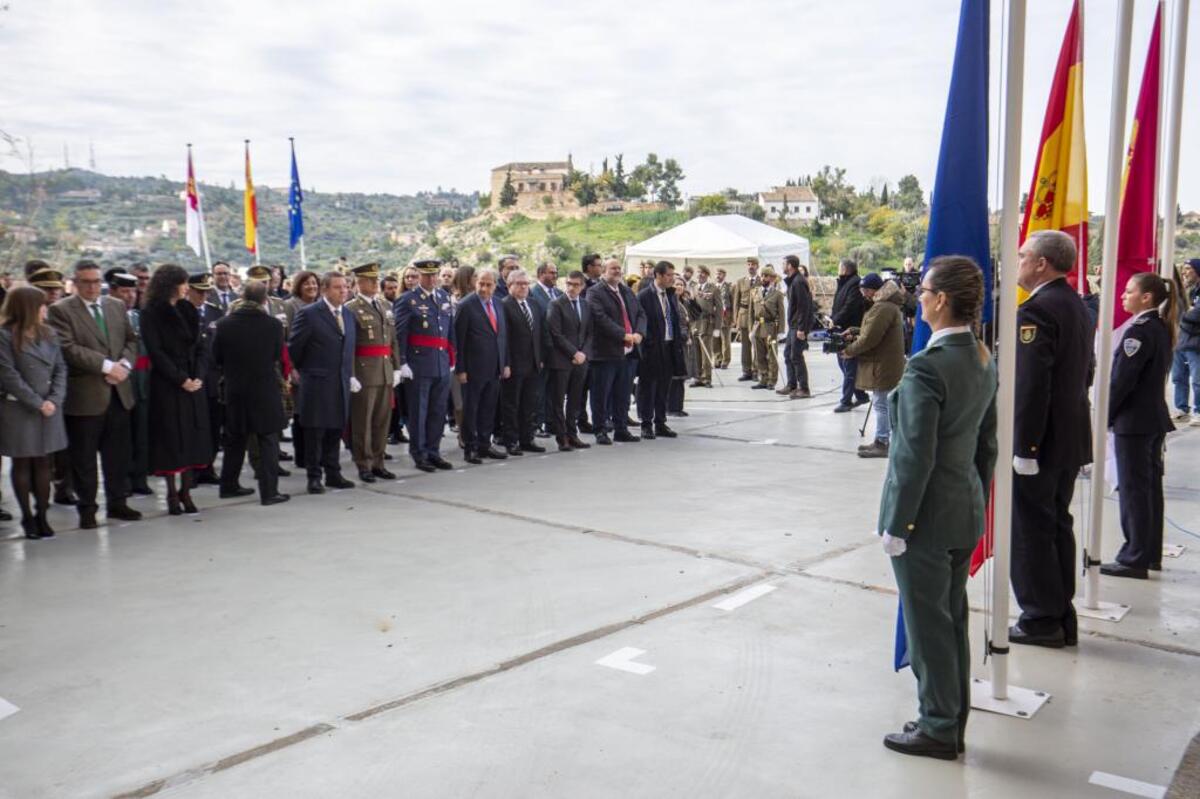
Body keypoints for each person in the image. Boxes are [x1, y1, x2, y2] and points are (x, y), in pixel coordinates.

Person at [878, 255, 997, 760]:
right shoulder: (980, 357)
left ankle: (939, 727)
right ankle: (949, 716)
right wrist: (975, 498)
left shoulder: (929, 365)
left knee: (929, 625)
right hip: (963, 508)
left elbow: (913, 454)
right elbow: (985, 446)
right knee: (950, 620)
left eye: (923, 291)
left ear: (941, 299)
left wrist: (897, 522)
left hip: (924, 517)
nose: (918, 298)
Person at [1009, 230, 1094, 649]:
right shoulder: (1075, 304)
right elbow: (1085, 371)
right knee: (1057, 523)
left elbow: (1031, 386)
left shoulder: (1038, 311)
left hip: (1040, 443)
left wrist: (1025, 447)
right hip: (1068, 436)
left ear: (1042, 262)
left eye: (1023, 255)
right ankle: (1061, 612)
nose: (1019, 261)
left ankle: (1042, 619)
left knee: (1031, 531)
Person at [47, 259, 141, 529]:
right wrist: (106, 366)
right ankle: (87, 509)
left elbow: (131, 340)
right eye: (86, 281)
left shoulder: (116, 305)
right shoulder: (61, 310)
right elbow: (67, 347)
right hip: (85, 397)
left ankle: (118, 503)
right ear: (75, 283)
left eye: (96, 281)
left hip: (119, 393)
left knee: (118, 455)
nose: (92, 286)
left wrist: (124, 365)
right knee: (84, 459)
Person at [1101, 272, 1180, 579]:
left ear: (1146, 297)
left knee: (1135, 490)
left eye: (1129, 290)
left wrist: (1104, 415)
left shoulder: (1140, 331)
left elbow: (1122, 381)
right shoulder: (1158, 327)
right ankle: (1149, 552)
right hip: (1151, 419)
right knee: (1148, 490)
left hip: (1134, 422)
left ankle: (1134, 557)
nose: (1123, 295)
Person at [139, 265, 212, 515]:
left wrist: (198, 377)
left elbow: (202, 346)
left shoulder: (187, 309)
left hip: (193, 383)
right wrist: (181, 379)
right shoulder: (151, 313)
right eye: (182, 283)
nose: (186, 288)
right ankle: (171, 493)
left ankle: (187, 491)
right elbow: (156, 352)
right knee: (171, 440)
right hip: (168, 384)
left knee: (193, 438)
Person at [0, 286, 69, 539]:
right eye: (41, 305)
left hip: (49, 408)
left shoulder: (49, 333)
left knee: (43, 463)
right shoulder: (5, 336)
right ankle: (27, 516)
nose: (45, 309)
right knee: (22, 463)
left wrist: (54, 399)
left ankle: (42, 513)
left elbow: (61, 368)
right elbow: (9, 375)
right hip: (20, 409)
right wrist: (37, 403)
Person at [213, 281, 289, 505]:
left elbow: (216, 357)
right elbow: (276, 355)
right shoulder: (273, 325)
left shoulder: (224, 324)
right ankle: (269, 491)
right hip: (264, 388)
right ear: (265, 300)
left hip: (236, 389)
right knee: (267, 440)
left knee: (235, 439)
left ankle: (228, 485)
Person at [289, 271, 357, 495]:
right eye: (338, 288)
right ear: (325, 290)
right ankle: (314, 477)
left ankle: (333, 473)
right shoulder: (309, 314)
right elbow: (295, 348)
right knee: (315, 433)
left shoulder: (347, 314)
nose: (343, 291)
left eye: (345, 287)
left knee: (335, 429)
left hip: (340, 382)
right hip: (317, 382)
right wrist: (304, 371)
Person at [394, 259, 455, 472]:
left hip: (441, 362)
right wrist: (401, 362)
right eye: (426, 275)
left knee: (438, 411)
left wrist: (451, 357)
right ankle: (419, 454)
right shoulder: (407, 300)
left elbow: (449, 331)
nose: (431, 279)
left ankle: (434, 451)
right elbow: (400, 334)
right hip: (418, 363)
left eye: (434, 275)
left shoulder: (444, 297)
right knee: (419, 412)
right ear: (419, 276)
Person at [345, 262, 400, 482]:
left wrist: (396, 367)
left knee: (381, 421)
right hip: (364, 372)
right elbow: (348, 345)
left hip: (385, 370)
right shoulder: (351, 308)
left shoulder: (385, 305)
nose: (376, 283)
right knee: (362, 422)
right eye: (371, 280)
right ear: (359, 283)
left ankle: (378, 461)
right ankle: (363, 463)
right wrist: (350, 374)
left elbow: (393, 339)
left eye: (377, 279)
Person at [842, 273, 907, 458]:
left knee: (881, 403)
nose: (864, 295)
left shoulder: (883, 307)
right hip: (885, 362)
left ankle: (882, 442)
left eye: (865, 290)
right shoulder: (885, 306)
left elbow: (870, 338)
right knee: (883, 402)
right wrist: (855, 331)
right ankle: (882, 439)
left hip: (883, 364)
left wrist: (850, 350)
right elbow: (870, 331)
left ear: (872, 290)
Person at [586, 258, 645, 445]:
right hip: (605, 353)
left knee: (623, 393)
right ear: (603, 271)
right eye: (613, 268)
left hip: (627, 353)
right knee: (601, 394)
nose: (617, 271)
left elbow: (640, 313)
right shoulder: (594, 292)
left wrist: (639, 333)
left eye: (619, 268)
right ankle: (600, 430)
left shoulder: (626, 290)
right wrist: (624, 335)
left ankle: (621, 429)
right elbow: (600, 318)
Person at [454, 268, 509, 464]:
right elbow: (458, 341)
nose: (484, 288)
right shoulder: (466, 305)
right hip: (472, 369)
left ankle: (485, 444)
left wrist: (505, 363)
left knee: (488, 408)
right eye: (481, 284)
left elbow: (502, 336)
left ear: (495, 285)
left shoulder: (499, 304)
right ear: (475, 283)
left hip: (494, 367)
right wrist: (460, 369)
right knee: (471, 410)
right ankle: (471, 448)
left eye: (488, 284)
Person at [498, 268, 548, 456]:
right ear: (510, 285)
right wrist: (506, 363)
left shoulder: (533, 305)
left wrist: (541, 358)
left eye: (526, 284)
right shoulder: (504, 305)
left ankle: (527, 438)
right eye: (519, 284)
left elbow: (540, 333)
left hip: (533, 363)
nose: (524, 287)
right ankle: (511, 440)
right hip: (514, 364)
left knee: (529, 403)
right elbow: (504, 338)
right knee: (511, 405)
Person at [636, 261, 685, 439]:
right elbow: (641, 322)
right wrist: (648, 342)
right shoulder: (644, 296)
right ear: (658, 275)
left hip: (669, 346)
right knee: (649, 387)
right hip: (652, 348)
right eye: (669, 275)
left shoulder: (670, 294)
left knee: (664, 386)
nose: (672, 278)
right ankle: (646, 423)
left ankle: (660, 422)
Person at [184, 273, 225, 485]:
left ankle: (208, 467)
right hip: (191, 378)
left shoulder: (215, 312)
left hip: (213, 377)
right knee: (193, 426)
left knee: (213, 425)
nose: (202, 295)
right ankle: (190, 471)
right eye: (198, 291)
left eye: (205, 291)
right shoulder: (181, 312)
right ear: (188, 290)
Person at [545, 270, 592, 452]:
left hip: (581, 361)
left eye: (576, 285)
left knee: (575, 400)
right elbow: (555, 334)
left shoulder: (586, 305)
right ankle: (561, 436)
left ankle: (572, 434)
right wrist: (574, 352)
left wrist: (584, 353)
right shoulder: (556, 304)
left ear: (582, 286)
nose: (572, 288)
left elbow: (590, 333)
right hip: (561, 360)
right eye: (569, 284)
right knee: (558, 401)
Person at [831, 258, 869, 412]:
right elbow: (839, 304)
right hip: (840, 328)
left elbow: (850, 307)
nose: (838, 269)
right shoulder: (843, 283)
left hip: (850, 330)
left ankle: (846, 401)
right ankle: (860, 394)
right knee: (843, 364)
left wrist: (836, 319)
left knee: (849, 365)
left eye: (840, 267)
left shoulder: (854, 284)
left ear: (845, 269)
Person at [1170, 259, 1200, 424]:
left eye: (1189, 269)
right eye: (1183, 269)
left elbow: (1196, 315)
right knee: (1178, 377)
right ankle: (1181, 409)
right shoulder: (1185, 291)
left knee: (1197, 379)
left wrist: (1184, 316)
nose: (1185, 272)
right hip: (1180, 340)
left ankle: (1199, 410)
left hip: (1195, 342)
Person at [782, 255, 815, 398]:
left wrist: (802, 328)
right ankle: (792, 385)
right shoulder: (793, 281)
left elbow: (804, 306)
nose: (782, 266)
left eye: (783, 264)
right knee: (787, 354)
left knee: (796, 356)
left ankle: (804, 388)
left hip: (798, 325)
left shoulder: (798, 282)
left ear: (790, 265)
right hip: (793, 325)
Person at [749, 266, 785, 390]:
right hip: (758, 326)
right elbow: (751, 312)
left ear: (772, 278)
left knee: (772, 355)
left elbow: (781, 313)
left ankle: (772, 380)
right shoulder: (754, 291)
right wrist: (750, 328)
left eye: (766, 276)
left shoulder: (777, 294)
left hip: (770, 327)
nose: (763, 278)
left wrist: (781, 331)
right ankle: (763, 379)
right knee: (759, 354)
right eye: (762, 275)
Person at [688, 266, 721, 387]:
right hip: (696, 323)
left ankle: (707, 378)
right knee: (696, 352)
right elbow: (691, 307)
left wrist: (717, 327)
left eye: (703, 273)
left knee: (706, 352)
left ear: (707, 275)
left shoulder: (713, 288)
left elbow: (719, 309)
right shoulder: (694, 287)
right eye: (698, 273)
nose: (700, 275)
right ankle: (698, 377)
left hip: (707, 323)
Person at [731, 258, 761, 382]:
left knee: (757, 344)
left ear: (757, 266)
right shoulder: (740, 282)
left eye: (753, 264)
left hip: (756, 316)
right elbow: (735, 302)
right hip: (743, 315)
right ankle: (746, 370)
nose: (750, 266)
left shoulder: (761, 281)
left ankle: (756, 370)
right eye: (749, 264)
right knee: (745, 346)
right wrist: (735, 319)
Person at [715, 267, 733, 368]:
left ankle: (725, 360)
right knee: (715, 339)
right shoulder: (712, 287)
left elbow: (733, 301)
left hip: (726, 316)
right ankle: (717, 358)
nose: (718, 276)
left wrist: (733, 317)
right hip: (715, 317)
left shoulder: (729, 287)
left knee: (725, 340)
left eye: (720, 274)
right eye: (717, 274)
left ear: (724, 275)